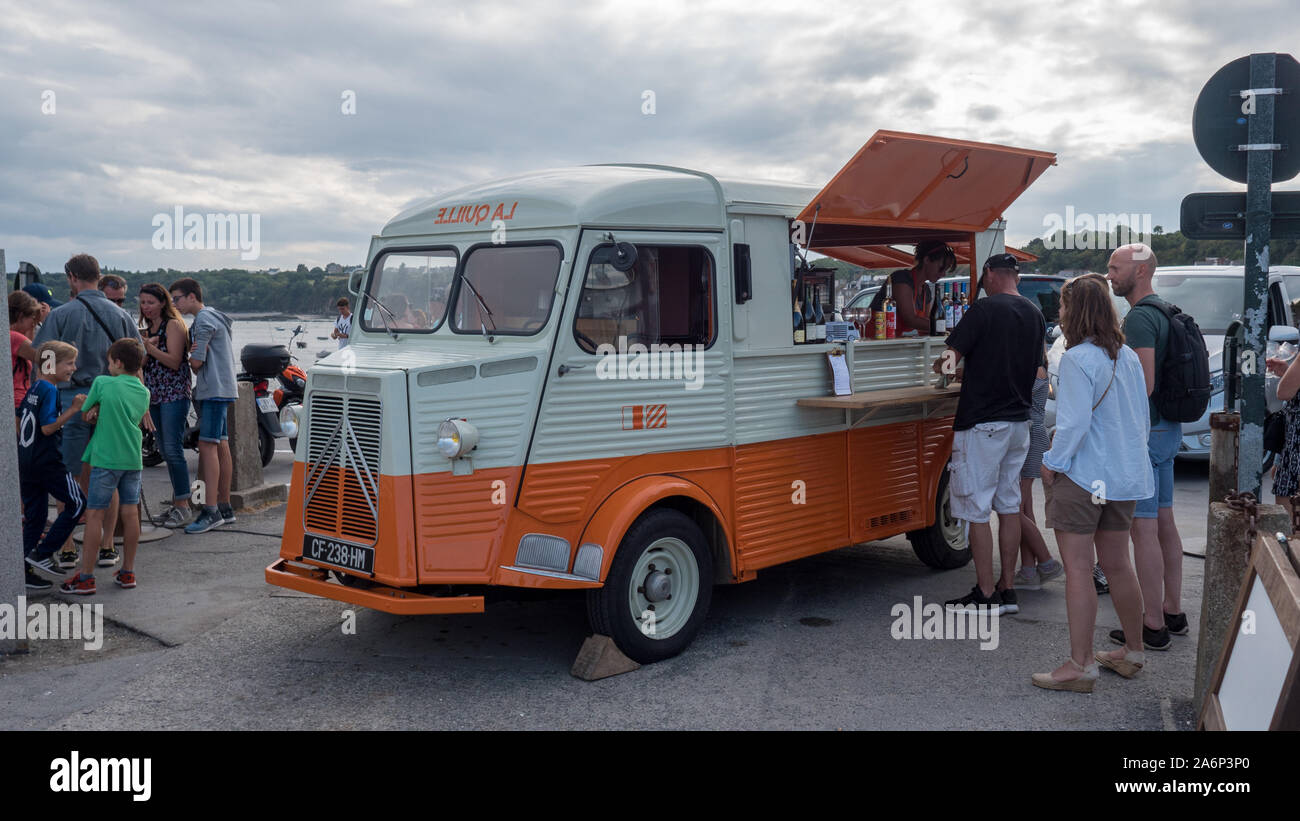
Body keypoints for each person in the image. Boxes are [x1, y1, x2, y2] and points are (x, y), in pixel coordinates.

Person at [1032, 274, 1153, 691]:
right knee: (1118, 564)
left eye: (1064, 306)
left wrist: (1051, 462)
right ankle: (1133, 650)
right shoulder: (1129, 357)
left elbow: (1073, 424)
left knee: (1079, 570)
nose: (1060, 313)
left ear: (1075, 311)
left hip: (1084, 476)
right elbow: (1140, 419)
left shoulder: (1076, 359)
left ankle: (1080, 664)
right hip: (1122, 476)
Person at [935, 253, 1046, 614]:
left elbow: (948, 361)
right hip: (1019, 423)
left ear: (989, 274)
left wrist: (942, 366)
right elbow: (1028, 366)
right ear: (1016, 276)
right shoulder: (1034, 312)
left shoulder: (983, 310)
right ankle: (1007, 589)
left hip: (982, 423)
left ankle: (985, 593)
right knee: (1009, 506)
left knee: (975, 508)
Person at [33, 254, 143, 570]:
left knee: (67, 475)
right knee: (107, 473)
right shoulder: (121, 315)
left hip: (72, 400)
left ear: (72, 277)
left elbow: (44, 364)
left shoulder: (60, 315)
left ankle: (67, 546)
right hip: (112, 403)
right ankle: (107, 545)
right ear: (98, 276)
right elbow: (137, 361)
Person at [1106, 243, 1186, 649]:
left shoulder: (1139, 318)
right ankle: (1173, 610)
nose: (1109, 276)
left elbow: (1144, 385)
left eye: (1115, 268)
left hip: (1147, 433)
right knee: (1165, 522)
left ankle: (1152, 623)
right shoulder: (1166, 310)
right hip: (1169, 429)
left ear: (1140, 271)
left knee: (1144, 528)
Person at [59, 338, 150, 595]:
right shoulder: (144, 391)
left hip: (106, 459)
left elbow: (85, 413)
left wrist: (94, 408)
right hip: (132, 459)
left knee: (95, 514)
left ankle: (86, 577)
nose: (108, 366)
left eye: (109, 362)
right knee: (130, 513)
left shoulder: (102, 383)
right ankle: (128, 571)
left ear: (118, 362)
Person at [17, 341, 87, 591]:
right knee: (78, 503)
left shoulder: (35, 386)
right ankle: (44, 552)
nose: (74, 368)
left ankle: (23, 569)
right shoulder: (49, 389)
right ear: (50, 364)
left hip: (27, 461)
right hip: (48, 462)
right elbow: (48, 427)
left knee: (35, 517)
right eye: (69, 363)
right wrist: (74, 409)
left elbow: (20, 417)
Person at [170, 278, 237, 534]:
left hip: (213, 390)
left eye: (177, 298)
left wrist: (192, 356)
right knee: (221, 443)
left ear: (191, 296)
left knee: (207, 446)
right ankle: (225, 506)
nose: (175, 304)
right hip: (224, 388)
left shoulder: (203, 320)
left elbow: (197, 363)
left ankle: (210, 511)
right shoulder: (215, 316)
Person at [138, 283, 193, 528]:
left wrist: (149, 347)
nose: (146, 307)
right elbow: (142, 363)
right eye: (142, 302)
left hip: (174, 393)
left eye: (150, 302)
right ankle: (177, 503)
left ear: (163, 302)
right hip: (154, 395)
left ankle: (183, 505)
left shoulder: (173, 325)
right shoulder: (147, 328)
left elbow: (174, 361)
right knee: (162, 448)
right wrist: (143, 348)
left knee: (172, 449)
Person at [1013, 350, 1064, 590]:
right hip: (1033, 437)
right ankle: (1029, 569)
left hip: (1030, 438)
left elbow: (1015, 397)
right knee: (1023, 506)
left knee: (1013, 507)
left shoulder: (1033, 368)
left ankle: (1045, 562)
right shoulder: (1037, 364)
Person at [869, 239, 957, 334]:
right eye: (941, 268)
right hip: (873, 338)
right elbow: (910, 320)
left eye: (945, 270)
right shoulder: (901, 278)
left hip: (896, 339)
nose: (943, 274)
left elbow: (925, 325)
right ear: (927, 260)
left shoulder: (926, 290)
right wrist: (946, 327)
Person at [10, 291, 41, 411]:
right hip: (18, 402)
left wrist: (32, 326)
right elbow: (47, 357)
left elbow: (28, 345)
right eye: (32, 318)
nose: (33, 324)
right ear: (21, 316)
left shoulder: (8, 336)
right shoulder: (15, 338)